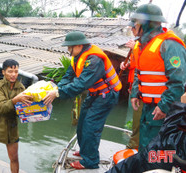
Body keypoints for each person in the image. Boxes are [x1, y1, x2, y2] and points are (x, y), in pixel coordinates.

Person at [44, 31, 121, 169]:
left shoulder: (94, 60)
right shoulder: (77, 57)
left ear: (79, 45)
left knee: (91, 126)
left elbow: (81, 83)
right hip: (94, 94)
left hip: (106, 95)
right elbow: (68, 76)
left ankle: (90, 161)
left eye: (70, 47)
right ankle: (86, 151)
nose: (68, 50)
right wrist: (57, 88)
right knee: (82, 123)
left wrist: (58, 93)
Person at [129, 4, 186, 150]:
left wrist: (164, 106)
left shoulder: (169, 44)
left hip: (163, 110)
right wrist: (136, 92)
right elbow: (139, 72)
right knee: (145, 146)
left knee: (157, 149)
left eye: (136, 23)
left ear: (146, 24)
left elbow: (178, 81)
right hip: (148, 108)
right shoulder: (144, 45)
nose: (133, 27)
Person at [0, 59, 33, 173]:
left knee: (14, 158)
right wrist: (15, 100)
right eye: (10, 71)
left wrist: (35, 108)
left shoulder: (21, 88)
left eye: (16, 71)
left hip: (12, 127)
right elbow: (1, 108)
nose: (13, 75)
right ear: (3, 72)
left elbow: (23, 110)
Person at [120, 21, 143, 149]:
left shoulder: (141, 46)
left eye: (134, 28)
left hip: (143, 90)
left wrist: (135, 47)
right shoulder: (137, 45)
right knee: (134, 119)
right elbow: (136, 65)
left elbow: (144, 65)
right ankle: (133, 142)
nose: (133, 31)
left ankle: (134, 146)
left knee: (138, 120)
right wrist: (126, 65)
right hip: (134, 87)